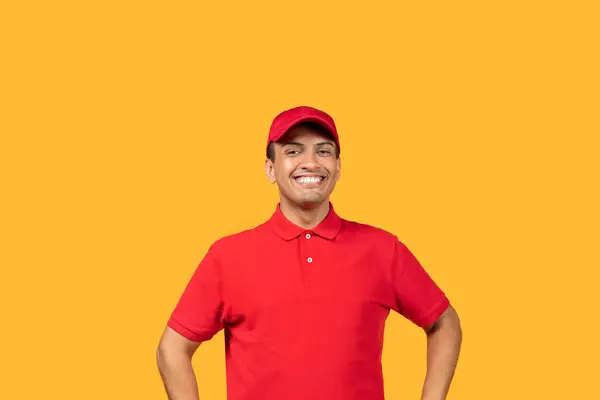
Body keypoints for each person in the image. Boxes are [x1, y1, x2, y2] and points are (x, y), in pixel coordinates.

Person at [156, 106, 462, 400]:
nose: (311, 162)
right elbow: (172, 349)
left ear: (338, 168)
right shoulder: (227, 256)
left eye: (324, 151)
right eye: (293, 151)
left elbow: (443, 323)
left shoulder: (383, 249)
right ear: (270, 169)